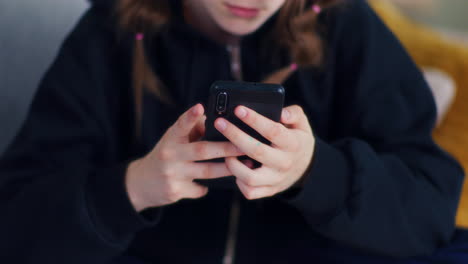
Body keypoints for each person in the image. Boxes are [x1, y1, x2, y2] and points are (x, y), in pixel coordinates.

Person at [0, 0, 465, 263]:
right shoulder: (112, 32)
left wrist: (315, 172)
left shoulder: (347, 28)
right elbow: (18, 222)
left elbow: (429, 208)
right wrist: (134, 187)